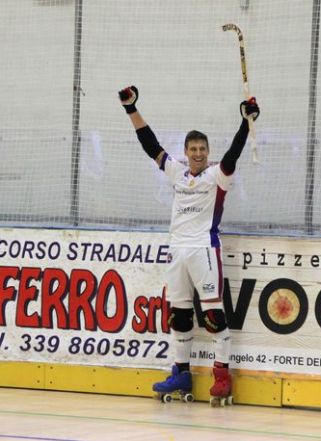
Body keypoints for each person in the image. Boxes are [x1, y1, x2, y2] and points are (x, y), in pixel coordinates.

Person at [118, 86, 260, 404]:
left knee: (212, 316)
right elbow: (150, 144)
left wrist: (245, 121)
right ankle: (181, 374)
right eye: (192, 148)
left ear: (208, 153)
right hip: (177, 250)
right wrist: (131, 108)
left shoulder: (216, 176)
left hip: (203, 250)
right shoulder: (177, 172)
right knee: (179, 316)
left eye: (202, 149)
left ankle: (221, 378)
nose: (197, 153)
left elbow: (234, 154)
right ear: (186, 151)